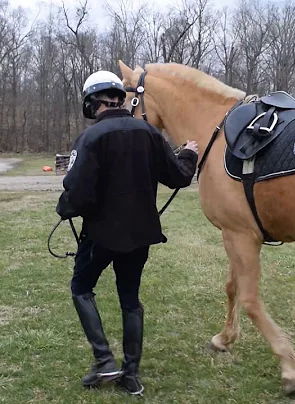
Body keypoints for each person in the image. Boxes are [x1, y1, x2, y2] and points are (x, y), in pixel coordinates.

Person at [56, 70, 199, 396]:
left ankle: (105, 360)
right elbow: (178, 177)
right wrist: (188, 152)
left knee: (81, 288)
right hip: (139, 237)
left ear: (93, 103)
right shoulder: (149, 133)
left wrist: (63, 208)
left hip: (101, 236)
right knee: (130, 299)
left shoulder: (90, 139)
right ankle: (131, 375)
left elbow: (76, 194)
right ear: (121, 98)